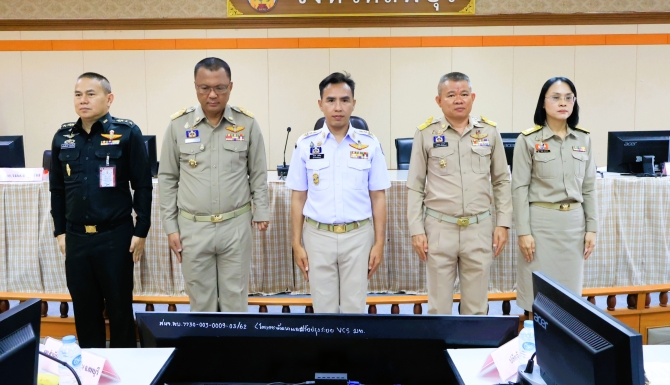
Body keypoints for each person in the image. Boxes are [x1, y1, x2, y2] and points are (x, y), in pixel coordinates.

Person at [49, 72, 152, 348]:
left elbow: (143, 185)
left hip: (114, 236)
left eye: (90, 94)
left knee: (119, 309)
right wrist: (60, 231)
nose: (83, 100)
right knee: (84, 309)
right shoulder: (63, 137)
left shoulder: (126, 133)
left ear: (109, 99)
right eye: (78, 94)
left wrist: (141, 229)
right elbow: (57, 190)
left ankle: (125, 366)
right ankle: (90, 366)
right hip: (77, 238)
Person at [159, 57, 269, 312]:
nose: (212, 95)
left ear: (230, 87)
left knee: (235, 299)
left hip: (235, 225)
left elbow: (258, 172)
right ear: (195, 87)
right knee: (201, 301)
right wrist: (170, 227)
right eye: (204, 88)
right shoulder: (178, 125)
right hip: (193, 227)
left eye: (219, 88)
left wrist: (262, 210)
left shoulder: (247, 123)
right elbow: (167, 178)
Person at [406, 72, 512, 315]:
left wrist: (503, 223)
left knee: (476, 308)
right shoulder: (426, 133)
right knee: (439, 308)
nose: (458, 100)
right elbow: (415, 185)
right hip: (440, 229)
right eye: (451, 95)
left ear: (473, 97)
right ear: (439, 100)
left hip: (478, 228)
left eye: (464, 94)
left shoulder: (489, 132)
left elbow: (501, 180)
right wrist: (416, 230)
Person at [286, 72, 390, 313]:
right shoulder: (306, 145)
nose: (338, 107)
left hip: (358, 236)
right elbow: (298, 197)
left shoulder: (370, 144)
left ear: (354, 103)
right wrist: (296, 243)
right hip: (318, 236)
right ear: (320, 104)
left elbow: (378, 196)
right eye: (331, 100)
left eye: (344, 100)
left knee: (355, 309)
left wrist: (379, 243)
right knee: (323, 310)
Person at [512, 76, 597, 312]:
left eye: (568, 98)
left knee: (570, 300)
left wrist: (592, 228)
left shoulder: (583, 139)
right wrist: (523, 232)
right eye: (556, 97)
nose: (563, 103)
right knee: (538, 297)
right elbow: (519, 189)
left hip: (574, 226)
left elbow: (589, 187)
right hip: (541, 226)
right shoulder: (528, 140)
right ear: (543, 102)